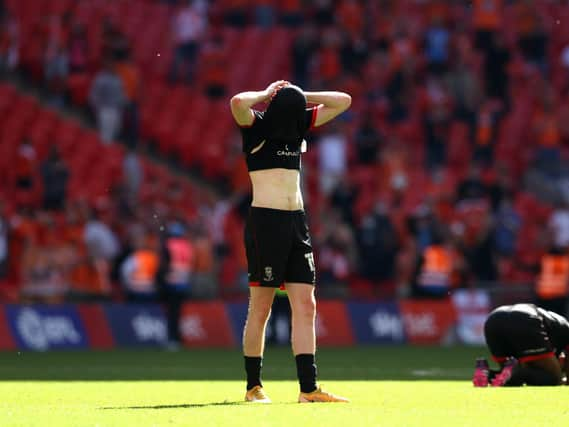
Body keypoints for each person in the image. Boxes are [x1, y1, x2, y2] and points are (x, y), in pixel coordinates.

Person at [230, 80, 351, 403]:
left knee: (306, 305)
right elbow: (238, 101)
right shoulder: (256, 127)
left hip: (297, 222)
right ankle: (253, 386)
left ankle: (308, 389)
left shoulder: (297, 126)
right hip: (266, 223)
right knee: (262, 307)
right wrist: (269, 93)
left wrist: (300, 95)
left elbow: (343, 100)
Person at [473, 303, 569, 387]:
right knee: (554, 379)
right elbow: (559, 378)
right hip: (525, 318)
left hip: (494, 318)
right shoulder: (564, 329)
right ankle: (518, 372)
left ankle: (486, 374)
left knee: (509, 376)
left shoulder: (557, 330)